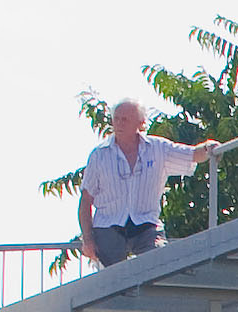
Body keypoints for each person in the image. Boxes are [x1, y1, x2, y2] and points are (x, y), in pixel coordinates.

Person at [75, 98, 221, 267]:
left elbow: (191, 155)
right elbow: (85, 200)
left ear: (141, 123)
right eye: (116, 119)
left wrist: (208, 148)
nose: (119, 124)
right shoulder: (99, 155)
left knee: (159, 261)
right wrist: (88, 239)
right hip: (108, 225)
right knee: (112, 277)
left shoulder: (158, 148)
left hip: (146, 224)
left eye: (125, 119)